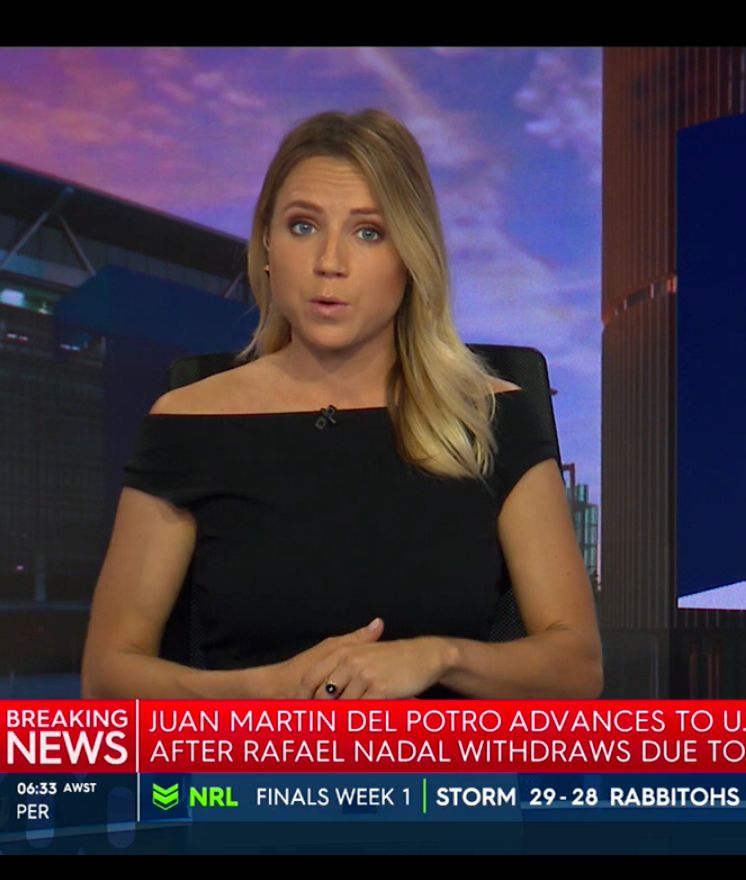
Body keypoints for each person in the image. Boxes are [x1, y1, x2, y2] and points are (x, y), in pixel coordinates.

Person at [81, 109, 601, 701]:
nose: (330, 262)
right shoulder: (187, 423)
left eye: (368, 232)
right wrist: (261, 692)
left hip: (441, 757)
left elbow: (577, 668)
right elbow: (108, 674)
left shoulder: (492, 418)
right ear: (267, 246)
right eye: (303, 226)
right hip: (254, 756)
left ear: (411, 256)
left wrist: (440, 658)